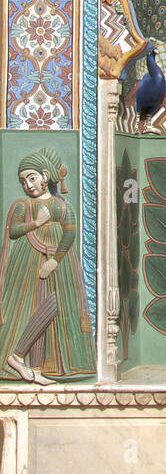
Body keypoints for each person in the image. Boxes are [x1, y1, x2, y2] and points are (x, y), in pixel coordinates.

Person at [0, 149, 96, 383]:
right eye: (23, 181)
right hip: (28, 261)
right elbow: (13, 232)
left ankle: (29, 364)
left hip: (59, 264)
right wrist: (36, 222)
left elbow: (70, 233)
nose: (28, 185)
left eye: (31, 178)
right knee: (36, 309)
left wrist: (54, 261)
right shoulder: (23, 204)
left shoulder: (62, 206)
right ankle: (22, 360)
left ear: (45, 176)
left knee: (53, 309)